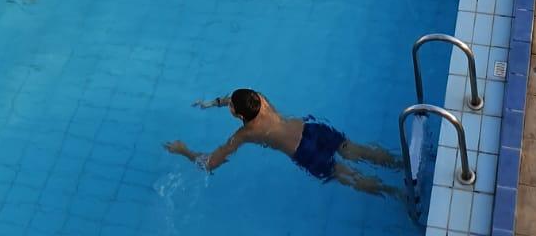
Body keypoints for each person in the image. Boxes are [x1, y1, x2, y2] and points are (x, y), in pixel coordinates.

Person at [164, 88, 403, 199]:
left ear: (238, 115)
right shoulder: (259, 98)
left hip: (304, 152)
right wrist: (210, 103)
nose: (228, 105)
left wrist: (183, 151)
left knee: (348, 175)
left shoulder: (245, 134)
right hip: (311, 129)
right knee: (357, 150)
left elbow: (210, 163)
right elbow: (235, 96)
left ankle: (396, 193)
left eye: (230, 107)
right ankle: (399, 163)